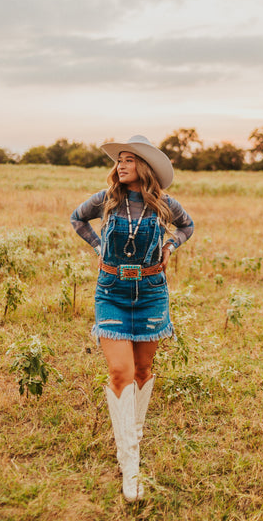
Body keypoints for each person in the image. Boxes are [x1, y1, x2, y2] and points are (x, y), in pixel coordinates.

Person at [70, 135, 194, 501]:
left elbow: (188, 226)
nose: (121, 165)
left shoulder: (164, 204)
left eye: (129, 160)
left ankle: (133, 431)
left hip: (152, 292)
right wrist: (98, 245)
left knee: (143, 371)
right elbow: (77, 218)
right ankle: (131, 465)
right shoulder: (107, 199)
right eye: (119, 160)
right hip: (111, 292)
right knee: (120, 373)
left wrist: (171, 244)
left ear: (145, 167)